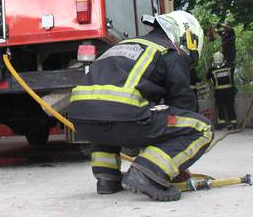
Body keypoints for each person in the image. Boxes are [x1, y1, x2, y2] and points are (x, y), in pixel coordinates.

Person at [67, 11, 214, 202]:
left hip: (82, 119)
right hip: (123, 116)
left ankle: (107, 178)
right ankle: (146, 173)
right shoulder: (171, 51)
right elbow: (182, 104)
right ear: (188, 37)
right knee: (202, 128)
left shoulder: (122, 46)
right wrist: (174, 160)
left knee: (106, 113)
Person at [207, 51, 238, 129]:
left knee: (220, 108)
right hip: (229, 91)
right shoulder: (229, 67)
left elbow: (207, 76)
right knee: (230, 107)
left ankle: (222, 124)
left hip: (219, 92)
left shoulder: (212, 70)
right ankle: (233, 123)